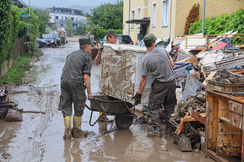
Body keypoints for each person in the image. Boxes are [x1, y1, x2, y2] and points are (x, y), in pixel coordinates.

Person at [133, 33, 176, 137]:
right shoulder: (163, 50)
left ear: (145, 44)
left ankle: (157, 129)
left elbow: (143, 80)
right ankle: (169, 128)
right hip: (172, 82)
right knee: (169, 106)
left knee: (153, 106)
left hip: (160, 84)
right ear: (154, 43)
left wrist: (138, 95)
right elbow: (172, 64)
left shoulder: (146, 59)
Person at [58, 38, 93, 140]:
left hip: (64, 81)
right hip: (76, 82)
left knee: (66, 106)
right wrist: (89, 93)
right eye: (91, 46)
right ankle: (77, 131)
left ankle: (67, 133)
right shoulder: (86, 56)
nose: (91, 48)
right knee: (79, 104)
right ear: (87, 46)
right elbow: (86, 77)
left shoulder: (71, 54)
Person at [94, 30, 118, 122]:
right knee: (104, 96)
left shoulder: (117, 48)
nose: (116, 39)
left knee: (116, 96)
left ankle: (117, 115)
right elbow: (96, 62)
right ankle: (102, 117)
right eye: (114, 37)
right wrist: (100, 52)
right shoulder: (103, 48)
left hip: (115, 77)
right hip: (105, 77)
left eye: (116, 38)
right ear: (109, 38)